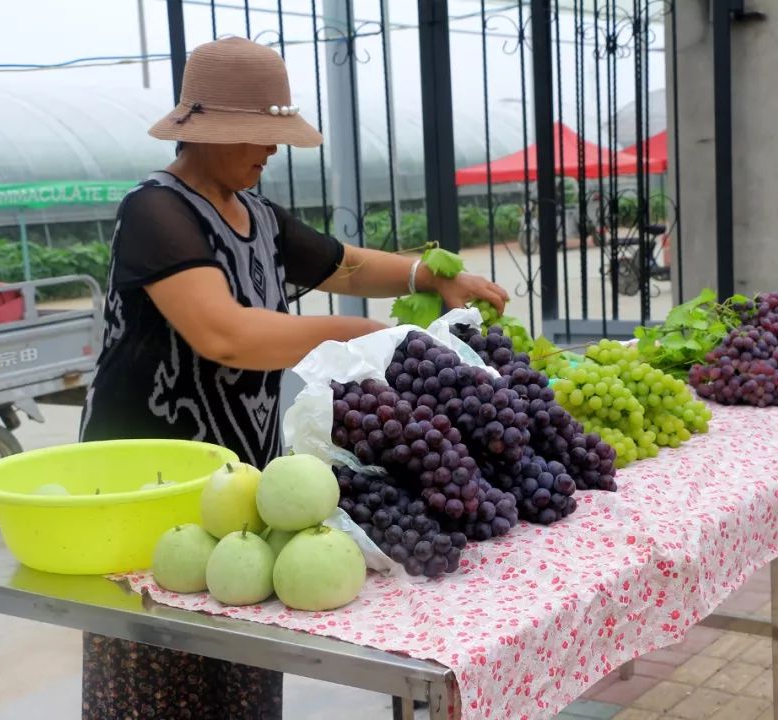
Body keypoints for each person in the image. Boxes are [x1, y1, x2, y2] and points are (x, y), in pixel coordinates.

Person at [78, 36, 507, 719]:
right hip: (151, 481)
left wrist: (436, 276)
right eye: (259, 133)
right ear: (209, 131)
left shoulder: (256, 213)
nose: (272, 149)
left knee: (245, 651)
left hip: (238, 476)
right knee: (158, 670)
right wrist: (360, 335)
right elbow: (227, 334)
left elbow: (344, 266)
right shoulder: (154, 212)